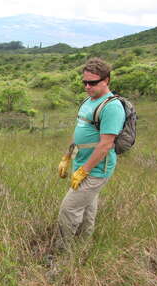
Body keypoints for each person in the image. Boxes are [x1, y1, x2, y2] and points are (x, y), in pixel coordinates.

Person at [57, 58, 125, 243]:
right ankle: (83, 246)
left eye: (92, 82)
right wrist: (67, 157)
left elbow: (105, 145)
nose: (87, 86)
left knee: (69, 209)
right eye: (84, 82)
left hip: (95, 170)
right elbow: (80, 132)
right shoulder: (88, 100)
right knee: (87, 208)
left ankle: (63, 251)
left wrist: (84, 171)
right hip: (81, 163)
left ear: (106, 80)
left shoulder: (112, 107)